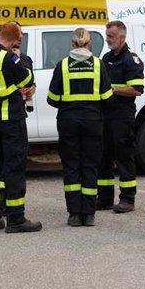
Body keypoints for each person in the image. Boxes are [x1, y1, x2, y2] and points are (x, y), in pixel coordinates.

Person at [0, 22, 42, 233]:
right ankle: (16, 219)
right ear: (15, 40)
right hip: (10, 119)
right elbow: (27, 78)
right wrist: (20, 59)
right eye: (19, 39)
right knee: (14, 167)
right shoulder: (8, 57)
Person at [47, 28, 113, 227]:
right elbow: (107, 98)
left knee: (71, 166)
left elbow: (52, 98)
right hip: (92, 122)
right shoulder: (99, 65)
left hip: (68, 122)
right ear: (89, 44)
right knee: (90, 166)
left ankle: (75, 214)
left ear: (72, 43)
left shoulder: (63, 65)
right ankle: (89, 214)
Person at [98, 20, 144, 213]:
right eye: (107, 35)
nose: (108, 39)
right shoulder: (106, 57)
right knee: (104, 157)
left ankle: (127, 199)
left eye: (111, 36)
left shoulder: (131, 60)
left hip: (122, 116)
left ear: (122, 37)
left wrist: (112, 89)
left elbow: (136, 89)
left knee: (124, 157)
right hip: (105, 115)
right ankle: (104, 198)